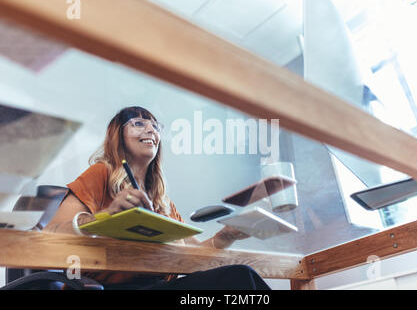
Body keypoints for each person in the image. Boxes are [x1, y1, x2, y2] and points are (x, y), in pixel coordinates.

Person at [44, 106, 270, 290]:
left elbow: (195, 256)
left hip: (157, 286)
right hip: (106, 288)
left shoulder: (162, 200)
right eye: (138, 123)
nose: (151, 129)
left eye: (155, 125)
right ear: (118, 136)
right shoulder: (101, 173)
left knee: (239, 280)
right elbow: (51, 233)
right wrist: (107, 216)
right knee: (238, 279)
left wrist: (225, 236)